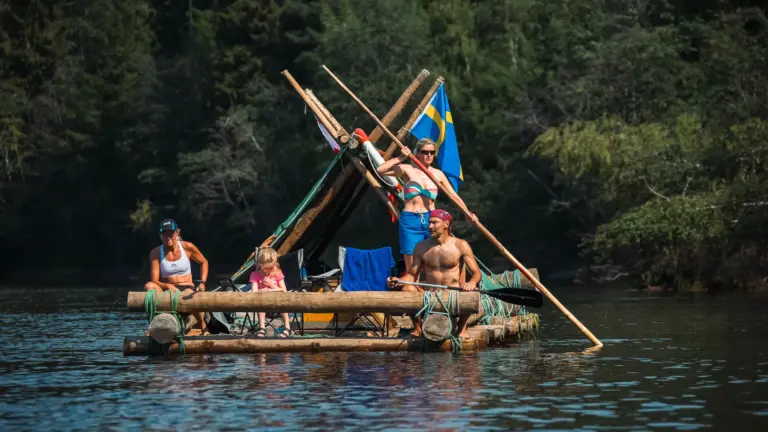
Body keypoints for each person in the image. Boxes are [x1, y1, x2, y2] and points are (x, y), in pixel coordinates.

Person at [375, 136, 477, 273]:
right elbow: (380, 170)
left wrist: (467, 213)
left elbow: (454, 196)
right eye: (425, 152)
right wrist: (400, 157)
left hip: (432, 221)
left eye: (432, 152)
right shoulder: (407, 169)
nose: (429, 155)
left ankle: (434, 290)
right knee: (412, 267)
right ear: (417, 152)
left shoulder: (437, 174)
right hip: (411, 220)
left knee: (434, 259)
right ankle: (413, 290)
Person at [388, 209, 481, 338]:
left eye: (435, 223)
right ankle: (418, 328)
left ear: (446, 224)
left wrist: (471, 282)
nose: (430, 226)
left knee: (474, 291)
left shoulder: (460, 245)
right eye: (429, 223)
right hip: (430, 296)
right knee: (407, 289)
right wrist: (398, 280)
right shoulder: (421, 247)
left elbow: (477, 273)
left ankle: (461, 329)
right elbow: (412, 275)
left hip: (453, 297)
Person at [144, 219, 210, 335]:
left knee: (189, 293)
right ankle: (153, 323)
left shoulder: (187, 247)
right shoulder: (155, 253)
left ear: (177, 233)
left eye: (171, 233)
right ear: (160, 235)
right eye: (165, 234)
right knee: (149, 286)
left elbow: (204, 262)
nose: (168, 237)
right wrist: (167, 286)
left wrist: (202, 282)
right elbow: (154, 280)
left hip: (186, 288)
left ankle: (202, 325)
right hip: (167, 290)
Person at [249, 247, 293, 338]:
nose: (269, 270)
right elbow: (254, 291)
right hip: (263, 301)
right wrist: (261, 291)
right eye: (266, 268)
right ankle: (262, 328)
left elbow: (284, 290)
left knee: (283, 302)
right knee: (260, 303)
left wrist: (270, 286)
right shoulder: (255, 275)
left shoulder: (277, 273)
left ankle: (287, 328)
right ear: (260, 265)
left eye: (271, 267)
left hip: (278, 300)